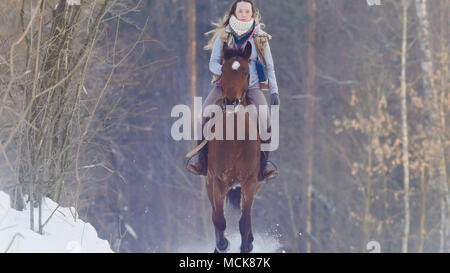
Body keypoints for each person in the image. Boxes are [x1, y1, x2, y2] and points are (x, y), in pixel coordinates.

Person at [187, 0, 279, 181]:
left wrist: (274, 91)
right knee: (205, 112)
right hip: (224, 85)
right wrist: (224, 72)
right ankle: (201, 159)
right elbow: (212, 62)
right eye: (240, 10)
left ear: (252, 14)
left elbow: (270, 65)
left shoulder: (260, 37)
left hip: (251, 86)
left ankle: (264, 165)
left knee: (266, 119)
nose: (244, 13)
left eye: (247, 11)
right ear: (234, 13)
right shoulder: (224, 36)